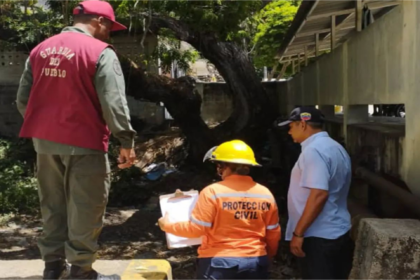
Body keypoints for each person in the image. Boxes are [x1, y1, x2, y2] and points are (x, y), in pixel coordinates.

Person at [16, 1, 136, 280]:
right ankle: (81, 272)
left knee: (52, 205)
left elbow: (23, 99)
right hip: (85, 142)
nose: (109, 33)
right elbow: (114, 102)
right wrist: (126, 139)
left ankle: (52, 268)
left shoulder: (39, 50)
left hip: (44, 144)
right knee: (86, 205)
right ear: (99, 22)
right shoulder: (100, 52)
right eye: (109, 27)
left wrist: (44, 126)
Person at [158, 140, 281, 280]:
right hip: (256, 262)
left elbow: (197, 229)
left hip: (219, 263)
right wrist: (266, 257)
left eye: (218, 165)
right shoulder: (265, 193)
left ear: (222, 166)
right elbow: (273, 233)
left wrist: (167, 226)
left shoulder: (213, 192)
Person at [277, 107, 353, 280]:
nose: (289, 132)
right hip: (336, 230)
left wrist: (298, 233)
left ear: (302, 125)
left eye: (291, 126)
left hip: (318, 235)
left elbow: (319, 194)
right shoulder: (335, 147)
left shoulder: (313, 152)